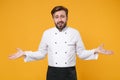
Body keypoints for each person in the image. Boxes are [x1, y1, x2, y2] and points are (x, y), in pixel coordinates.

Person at [9, 6, 113, 80]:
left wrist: (96, 51)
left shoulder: (75, 33)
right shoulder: (47, 33)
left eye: (62, 16)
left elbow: (81, 54)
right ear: (53, 19)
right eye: (57, 17)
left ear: (67, 17)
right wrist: (25, 54)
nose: (60, 19)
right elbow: (41, 54)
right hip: (52, 73)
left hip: (70, 73)